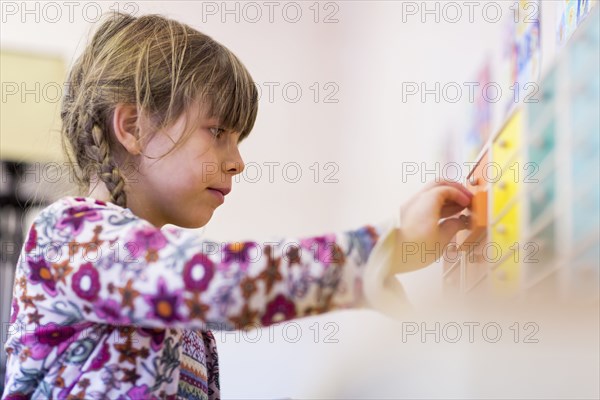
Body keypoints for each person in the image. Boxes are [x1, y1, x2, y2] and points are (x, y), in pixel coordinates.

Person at [1, 12, 473, 400]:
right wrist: (378, 249)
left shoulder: (169, 300)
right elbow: (217, 280)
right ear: (133, 127)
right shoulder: (68, 233)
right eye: (219, 132)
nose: (238, 162)